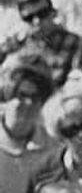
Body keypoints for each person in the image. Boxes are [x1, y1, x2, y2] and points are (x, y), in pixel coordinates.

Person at [0, 51, 56, 193]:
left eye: (36, 97)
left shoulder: (52, 149)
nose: (29, 103)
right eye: (22, 95)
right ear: (6, 96)